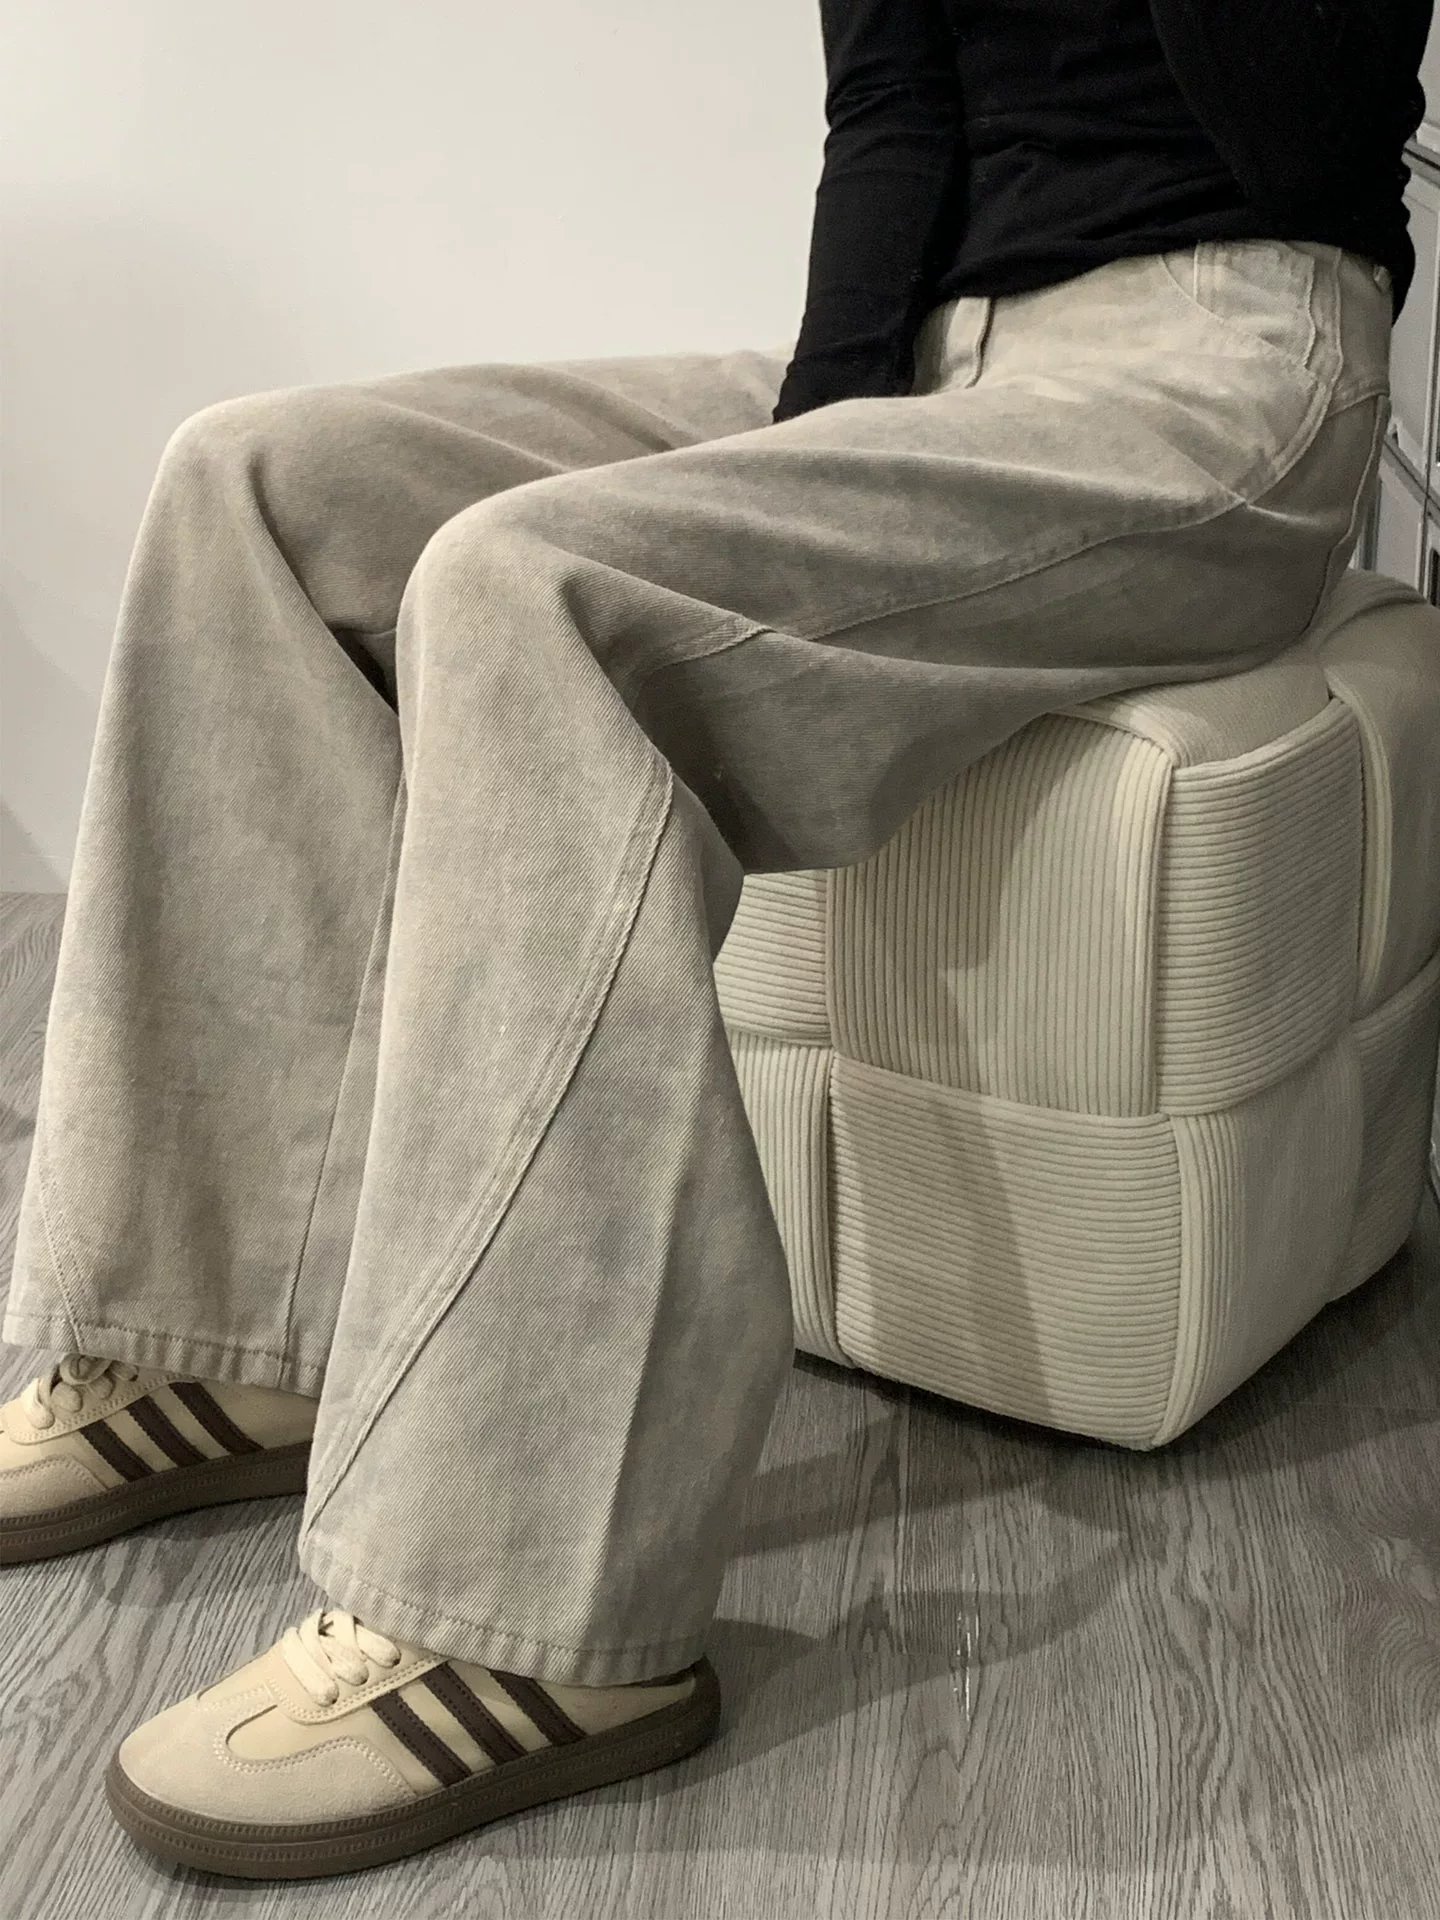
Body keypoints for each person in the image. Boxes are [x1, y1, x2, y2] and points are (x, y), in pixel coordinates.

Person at [0, 0, 1426, 1883]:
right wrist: (814, 454)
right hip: (922, 362)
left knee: (528, 591)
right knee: (257, 489)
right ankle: (217, 1335)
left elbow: (1309, 110)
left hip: (1222, 365)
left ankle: (527, 1603)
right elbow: (895, 103)